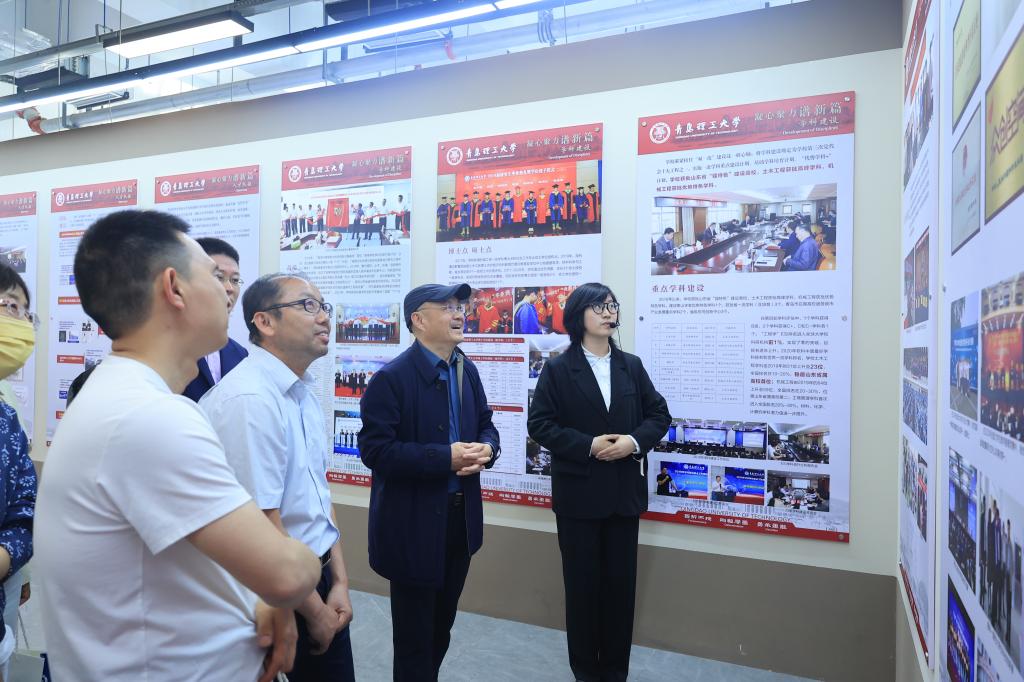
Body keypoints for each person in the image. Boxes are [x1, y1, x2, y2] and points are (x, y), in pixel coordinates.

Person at [35, 210, 321, 682]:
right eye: (213, 275)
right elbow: (288, 573)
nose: (227, 292)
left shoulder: (121, 396)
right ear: (174, 288)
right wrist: (303, 560)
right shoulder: (149, 416)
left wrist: (262, 595)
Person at [202, 274, 355, 681]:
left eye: (324, 306)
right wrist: (315, 611)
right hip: (275, 592)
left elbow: (319, 495)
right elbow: (259, 521)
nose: (324, 317)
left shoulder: (301, 392)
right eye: (308, 305)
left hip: (316, 580)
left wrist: (339, 580)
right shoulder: (250, 399)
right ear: (265, 322)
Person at [527, 283, 670, 682]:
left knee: (621, 590)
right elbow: (540, 425)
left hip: (623, 496)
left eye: (612, 306)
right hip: (579, 497)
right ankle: (586, 671)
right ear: (578, 316)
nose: (609, 313)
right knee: (582, 590)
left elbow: (659, 415)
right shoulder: (559, 369)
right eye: (598, 307)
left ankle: (615, 672)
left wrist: (633, 442)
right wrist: (587, 445)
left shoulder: (631, 366)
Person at [359, 283, 500, 682]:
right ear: (418, 320)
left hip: (460, 522)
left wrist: (488, 448)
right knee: (414, 638)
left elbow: (487, 424)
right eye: (447, 307)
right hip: (413, 526)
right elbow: (376, 452)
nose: (459, 314)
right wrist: (445, 458)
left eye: (460, 307)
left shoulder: (466, 370)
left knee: (441, 629)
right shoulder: (391, 379)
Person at [0, 263, 38, 681]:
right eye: (10, 307)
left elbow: (25, 501)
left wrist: (9, 557)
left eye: (25, 312)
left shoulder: (5, 413)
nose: (21, 324)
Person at [183, 237, 248, 402]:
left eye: (235, 280)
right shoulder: (168, 347)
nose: (229, 288)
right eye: (219, 277)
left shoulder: (240, 354)